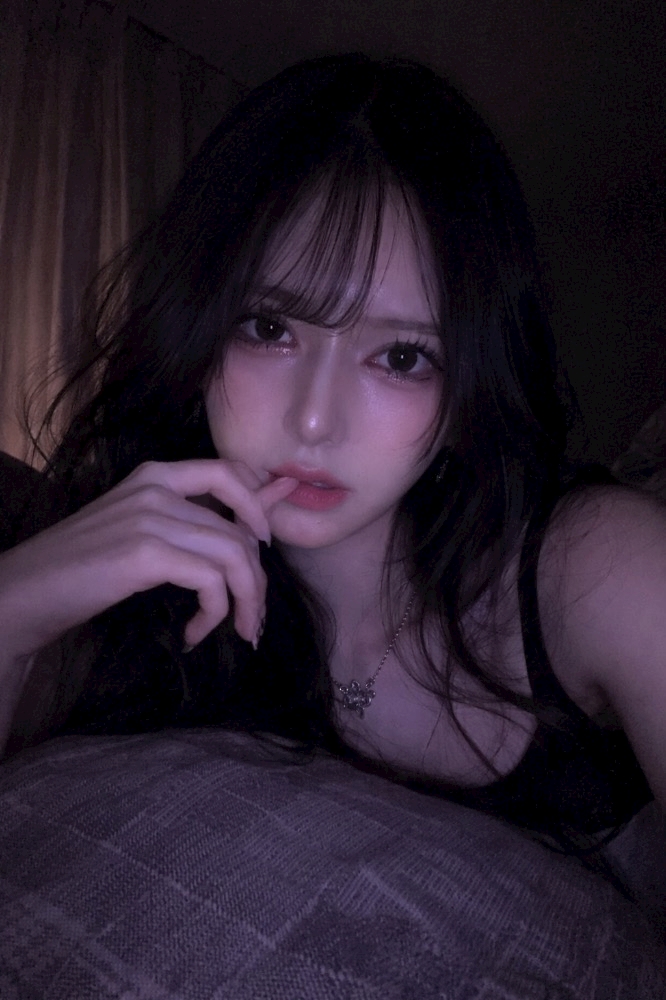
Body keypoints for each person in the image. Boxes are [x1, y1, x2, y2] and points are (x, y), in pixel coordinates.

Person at [0, 54, 662, 878]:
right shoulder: (138, 601)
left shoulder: (602, 567)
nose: (314, 420)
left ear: (468, 391)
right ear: (198, 334)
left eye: (402, 357)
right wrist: (13, 604)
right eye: (269, 328)